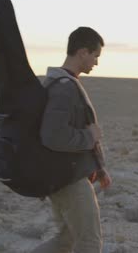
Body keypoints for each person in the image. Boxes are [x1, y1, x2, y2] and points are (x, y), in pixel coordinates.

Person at [31, 27, 111, 253]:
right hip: (68, 178)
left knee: (67, 240)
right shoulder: (64, 87)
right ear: (83, 52)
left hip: (65, 174)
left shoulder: (63, 83)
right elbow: (53, 136)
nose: (96, 62)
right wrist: (90, 136)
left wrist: (99, 168)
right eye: (95, 55)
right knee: (89, 242)